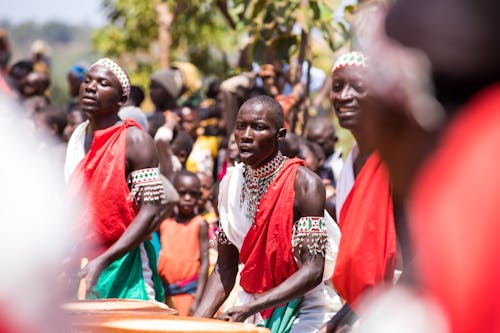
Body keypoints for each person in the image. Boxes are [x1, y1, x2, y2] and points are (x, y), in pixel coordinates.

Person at [194, 95, 340, 333]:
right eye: (241, 126)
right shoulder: (228, 186)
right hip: (250, 305)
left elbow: (313, 270)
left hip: (304, 307)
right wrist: (194, 323)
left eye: (258, 127)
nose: (246, 135)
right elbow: (225, 267)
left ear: (279, 136)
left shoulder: (304, 185)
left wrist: (250, 309)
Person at [64, 58, 166, 301]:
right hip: (82, 262)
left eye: (102, 83)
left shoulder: (135, 141)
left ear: (121, 99)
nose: (90, 87)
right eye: (87, 81)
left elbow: (151, 212)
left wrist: (104, 259)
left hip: (127, 266)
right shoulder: (77, 138)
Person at [319, 51, 398, 333]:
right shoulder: (351, 164)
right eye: (338, 87)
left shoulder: (397, 157)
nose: (344, 96)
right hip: (360, 306)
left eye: (358, 87)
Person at [157, 171, 209, 316]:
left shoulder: (200, 224)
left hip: (188, 294)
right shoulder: (165, 223)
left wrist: (198, 299)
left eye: (193, 194)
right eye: (182, 193)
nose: (187, 198)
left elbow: (205, 263)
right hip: (165, 293)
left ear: (199, 197)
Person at [305, 116, 343, 188]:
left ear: (335, 140)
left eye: (320, 144)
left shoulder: (339, 168)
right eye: (310, 143)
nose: (314, 148)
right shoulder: (306, 161)